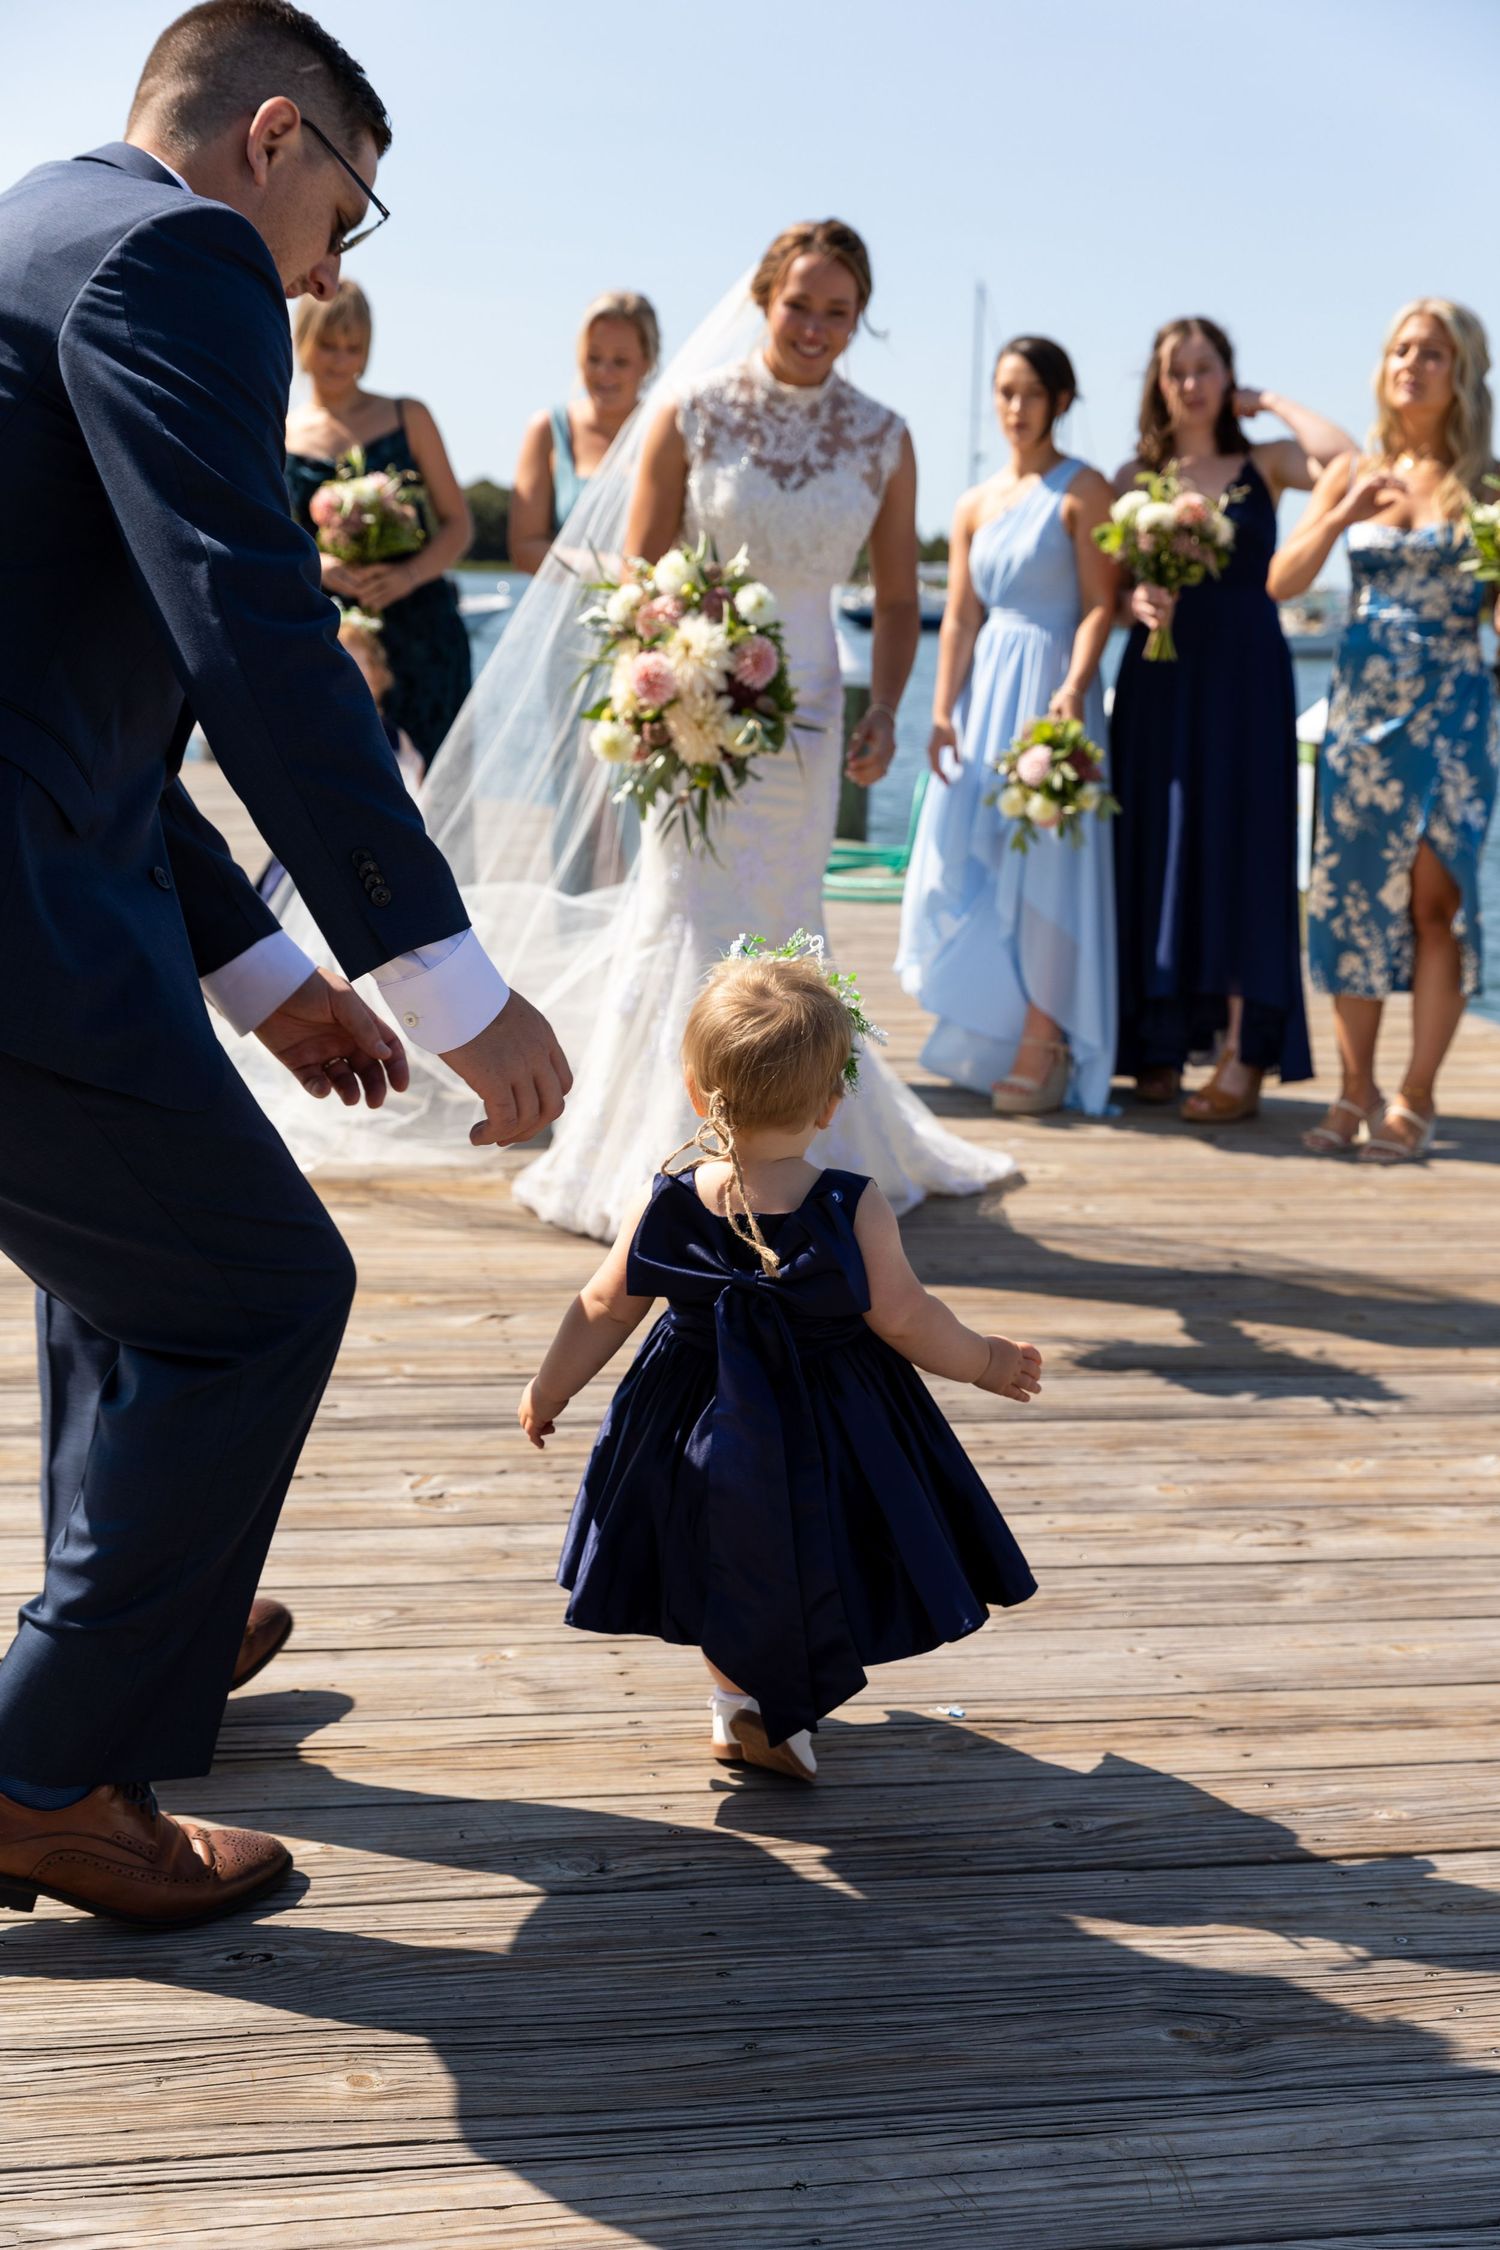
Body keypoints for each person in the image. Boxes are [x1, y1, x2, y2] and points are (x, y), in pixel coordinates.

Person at [0, 0, 569, 1927]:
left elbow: (79, 677)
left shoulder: (36, 229)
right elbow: (248, 635)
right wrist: (453, 992)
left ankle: (132, 1642)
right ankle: (43, 1761)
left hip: (55, 866)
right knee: (252, 1293)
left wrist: (258, 971)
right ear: (273, 139)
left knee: (133, 1277)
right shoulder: (177, 256)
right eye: (348, 207)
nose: (333, 262)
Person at [509, 217, 1019, 1239]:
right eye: (801, 304)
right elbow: (642, 579)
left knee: (788, 927)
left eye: (841, 311)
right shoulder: (690, 414)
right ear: (763, 297)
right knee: (686, 913)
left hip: (812, 711)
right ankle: (666, 1152)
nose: (817, 326)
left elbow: (890, 590)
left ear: (859, 320)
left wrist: (884, 706)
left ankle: (801, 1145)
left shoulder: (883, 436)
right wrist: (660, 694)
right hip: (694, 705)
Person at [518, 951, 1040, 1780]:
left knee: (719, 1548)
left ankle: (739, 1708)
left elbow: (604, 1305)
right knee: (813, 1544)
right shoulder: (850, 1203)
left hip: (693, 1418)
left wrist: (550, 1389)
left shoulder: (671, 1195)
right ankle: (772, 1716)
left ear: (696, 1092)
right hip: (830, 1420)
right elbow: (906, 1318)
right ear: (832, 1102)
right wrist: (987, 1361)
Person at [1110, 317, 1356, 1120]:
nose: (1190, 382)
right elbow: (1107, 593)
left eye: (1205, 367)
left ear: (1227, 375)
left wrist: (1273, 401)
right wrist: (1132, 601)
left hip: (1246, 679)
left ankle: (1244, 1056)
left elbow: (1344, 456)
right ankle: (1155, 1045)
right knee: (1160, 845)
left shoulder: (1265, 462)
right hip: (1160, 681)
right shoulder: (1135, 473)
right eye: (1175, 369)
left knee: (1246, 851)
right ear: (1157, 381)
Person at [1269, 300, 1498, 1163]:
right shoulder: (1355, 470)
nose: (1413, 363)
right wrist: (1338, 511)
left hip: (1454, 717)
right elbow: (1282, 583)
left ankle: (1417, 1095)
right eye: (1402, 349)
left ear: (1462, 372)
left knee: (1436, 905)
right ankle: (1353, 1088)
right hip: (1362, 718)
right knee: (1350, 903)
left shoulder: (1488, 487)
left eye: (1433, 352)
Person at [896, 336, 1118, 1115]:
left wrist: (1075, 688)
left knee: (1051, 864)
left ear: (1060, 399)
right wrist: (939, 712)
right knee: (977, 858)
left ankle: (1045, 1038)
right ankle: (996, 1029)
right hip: (987, 689)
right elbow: (959, 616)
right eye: (1004, 392)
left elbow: (1101, 603)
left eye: (1029, 392)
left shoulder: (1083, 490)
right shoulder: (973, 503)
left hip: (1054, 690)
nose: (1014, 408)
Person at [285, 280, 474, 762]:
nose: (341, 360)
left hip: (423, 634)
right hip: (327, 635)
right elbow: (271, 538)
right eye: (329, 345)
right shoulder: (280, 432)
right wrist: (320, 566)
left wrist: (408, 575)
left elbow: (458, 526)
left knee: (436, 785)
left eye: (354, 348)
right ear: (303, 338)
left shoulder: (409, 416)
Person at [509, 291, 660, 573]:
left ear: (647, 362)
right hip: (563, 611)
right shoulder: (547, 429)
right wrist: (617, 573)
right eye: (594, 358)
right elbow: (525, 547)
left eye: (620, 361)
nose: (604, 372)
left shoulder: (667, 431)